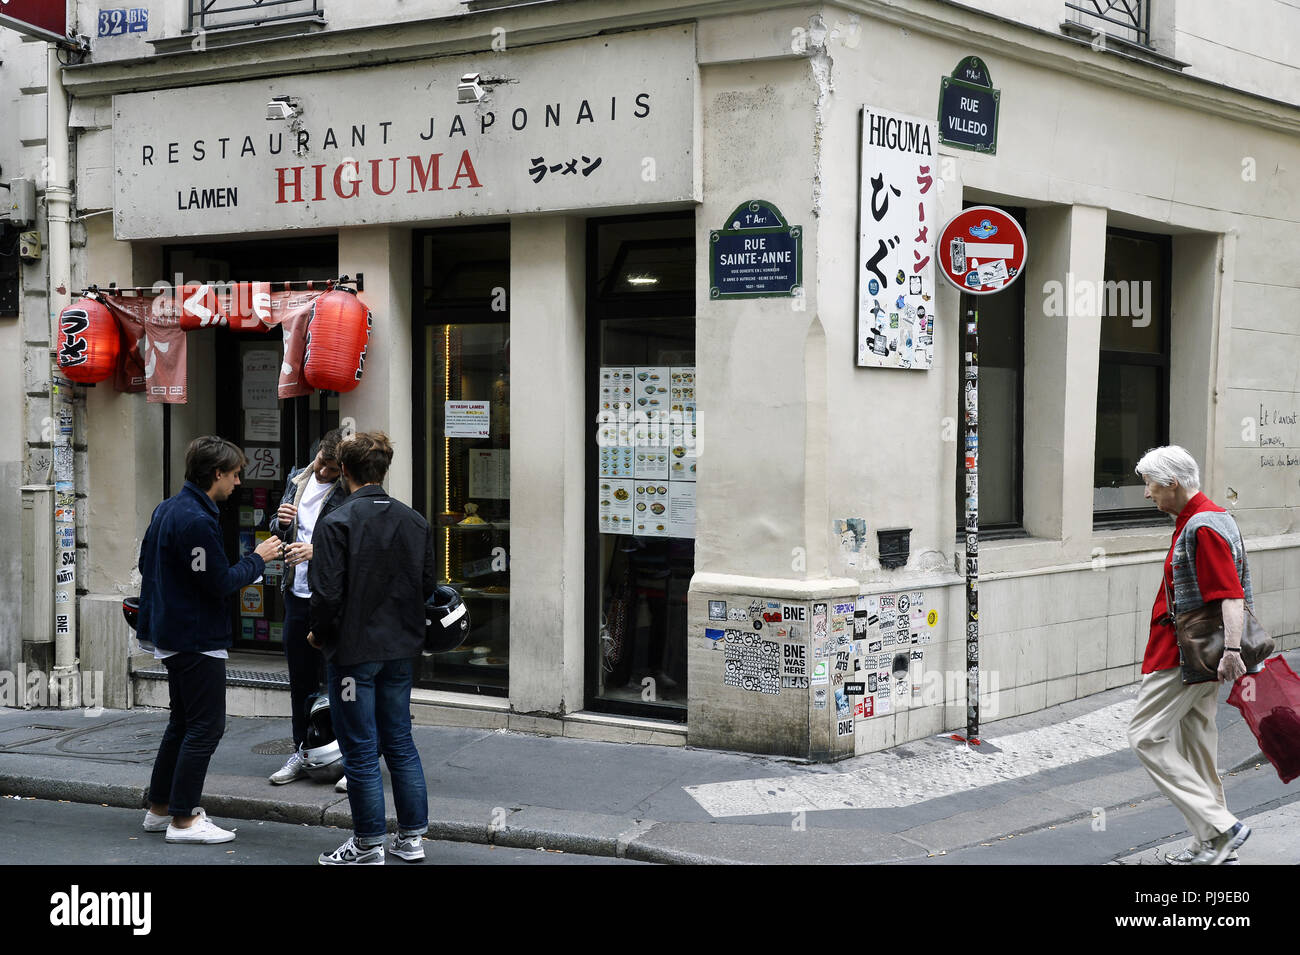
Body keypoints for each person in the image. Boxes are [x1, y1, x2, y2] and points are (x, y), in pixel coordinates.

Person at [138, 436, 282, 844]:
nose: (238, 482)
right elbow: (218, 582)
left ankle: (160, 807)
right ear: (216, 473)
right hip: (195, 636)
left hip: (172, 631)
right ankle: (183, 820)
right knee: (205, 726)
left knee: (182, 724)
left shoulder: (168, 507)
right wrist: (259, 558)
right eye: (235, 474)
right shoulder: (198, 520)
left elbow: (146, 563)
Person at [308, 432, 435, 864]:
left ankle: (366, 844)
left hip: (354, 652)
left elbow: (326, 595)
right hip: (401, 647)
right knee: (399, 741)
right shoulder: (414, 520)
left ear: (344, 471)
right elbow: (427, 587)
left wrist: (319, 633)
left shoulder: (338, 521)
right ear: (384, 469)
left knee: (360, 748)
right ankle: (412, 838)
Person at [1126, 446, 1252, 865]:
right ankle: (1212, 843)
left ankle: (1221, 828)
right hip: (1201, 653)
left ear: (1172, 484)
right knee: (1197, 744)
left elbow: (1230, 595)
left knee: (1145, 736)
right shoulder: (1210, 518)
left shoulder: (1203, 526)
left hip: (1186, 655)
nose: (1147, 494)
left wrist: (1232, 651)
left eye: (1150, 484)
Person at [265, 428, 350, 786]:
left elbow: (352, 545)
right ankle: (302, 751)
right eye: (321, 463)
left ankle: (348, 756)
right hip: (296, 594)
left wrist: (317, 552)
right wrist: (281, 523)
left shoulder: (348, 493)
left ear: (344, 469)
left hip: (329, 599)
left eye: (332, 469)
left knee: (340, 681)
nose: (323, 473)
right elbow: (277, 529)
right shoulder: (297, 479)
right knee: (301, 681)